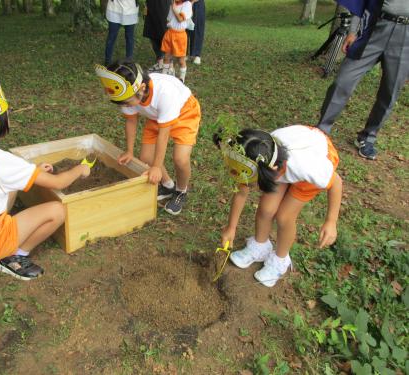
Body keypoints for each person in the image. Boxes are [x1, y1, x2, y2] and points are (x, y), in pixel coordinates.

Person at [0, 62, 91, 280]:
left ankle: (4, 243)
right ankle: (14, 256)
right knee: (58, 211)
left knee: (12, 186)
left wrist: (31, 171)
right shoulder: (0, 161)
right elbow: (60, 183)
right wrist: (80, 169)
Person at [215, 125, 342, 287]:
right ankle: (260, 246)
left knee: (284, 217)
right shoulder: (255, 153)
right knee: (266, 209)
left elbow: (336, 183)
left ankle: (280, 260)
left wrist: (331, 221)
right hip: (286, 160)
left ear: (270, 172)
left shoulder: (312, 168)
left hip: (315, 162)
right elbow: (241, 191)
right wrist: (231, 227)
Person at [95, 61, 201, 215]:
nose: (126, 105)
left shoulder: (164, 93)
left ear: (142, 88)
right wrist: (129, 151)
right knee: (146, 157)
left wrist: (157, 167)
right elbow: (131, 120)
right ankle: (167, 185)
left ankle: (181, 191)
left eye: (128, 102)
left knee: (180, 159)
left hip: (185, 112)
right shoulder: (127, 93)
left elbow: (163, 135)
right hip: (156, 115)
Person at [316, 0, 409, 160]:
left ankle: (367, 138)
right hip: (375, 30)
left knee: (390, 92)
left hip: (406, 39)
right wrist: (352, 31)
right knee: (342, 82)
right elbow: (361, 3)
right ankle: (322, 131)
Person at [161, 0, 193, 82]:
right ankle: (164, 77)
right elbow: (168, 19)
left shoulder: (187, 4)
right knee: (166, 57)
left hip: (180, 35)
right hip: (170, 33)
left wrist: (174, 8)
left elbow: (180, 19)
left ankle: (182, 79)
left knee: (180, 60)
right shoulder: (174, 3)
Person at [104, 0, 139, 65]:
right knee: (112, 36)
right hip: (114, 8)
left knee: (129, 37)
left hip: (131, 9)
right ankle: (107, 61)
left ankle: (129, 62)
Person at [143, 0, 170, 72]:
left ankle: (168, 63)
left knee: (164, 32)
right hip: (151, 5)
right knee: (152, 31)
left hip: (164, 5)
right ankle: (160, 60)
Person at [187, 0, 205, 65]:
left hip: (198, 4)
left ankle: (196, 55)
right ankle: (183, 53)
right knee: (184, 28)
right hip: (184, 3)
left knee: (198, 28)